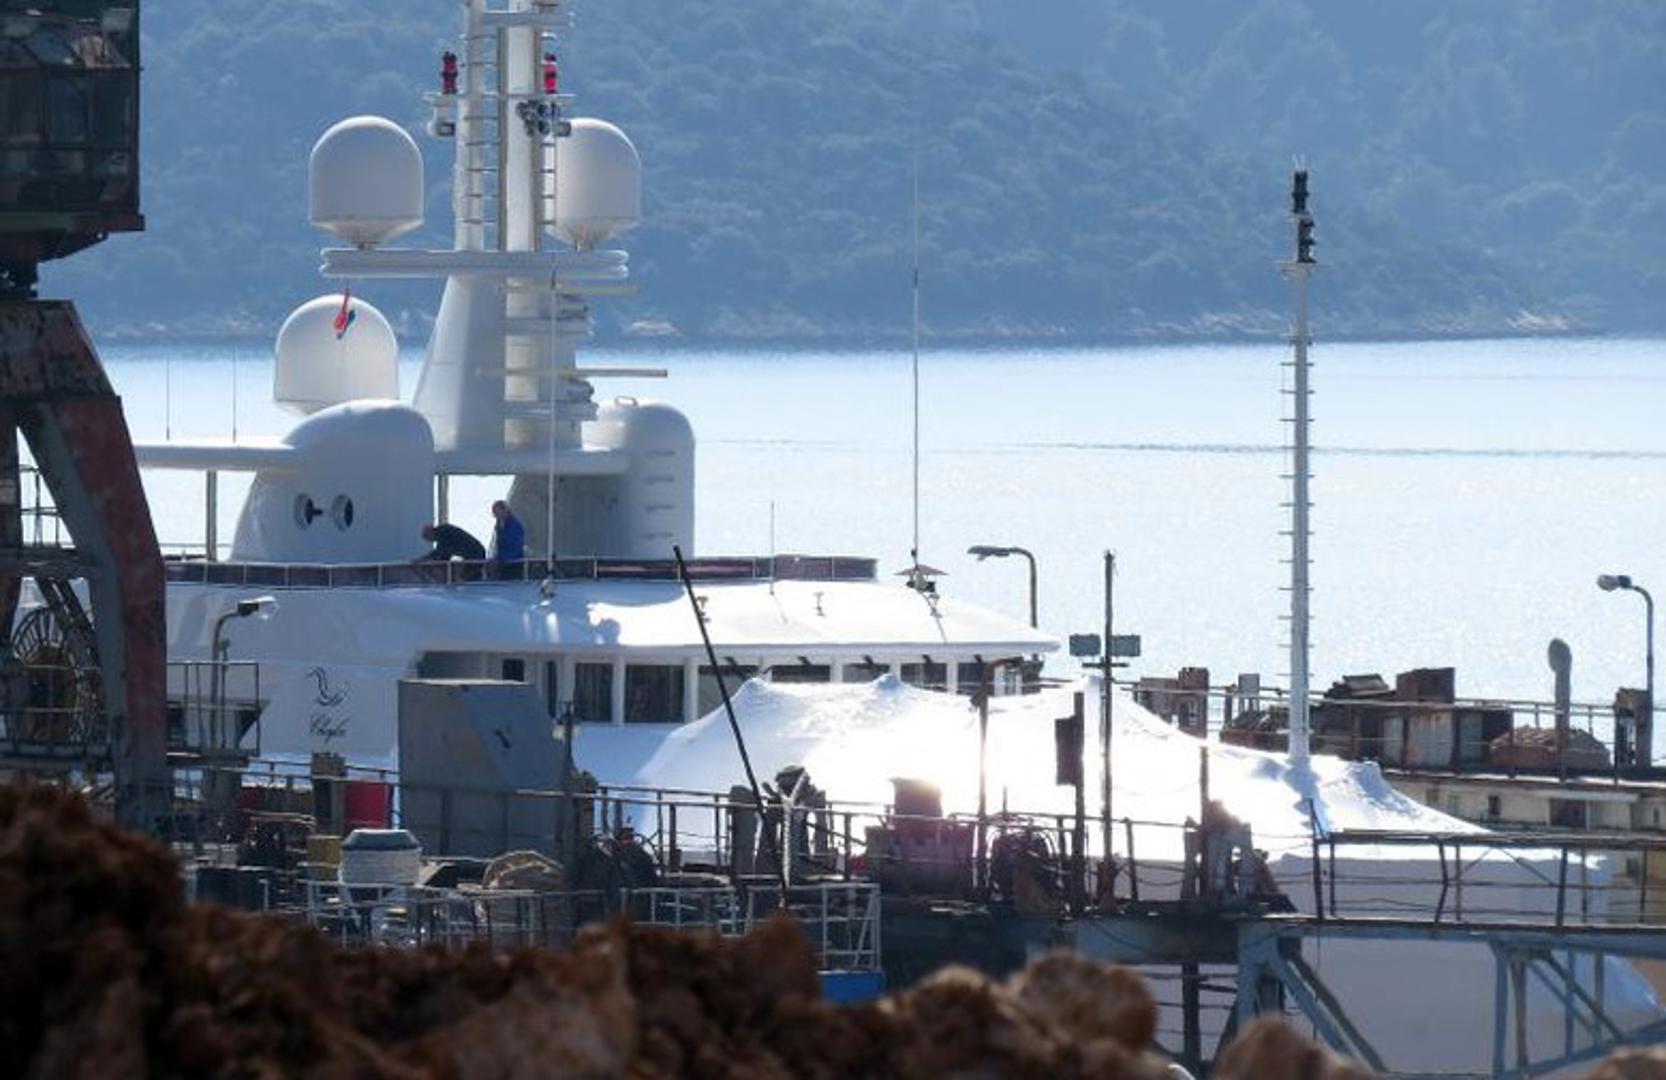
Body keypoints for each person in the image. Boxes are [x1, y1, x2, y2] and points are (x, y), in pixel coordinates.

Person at [421, 522, 485, 562]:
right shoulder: (442, 534)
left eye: (428, 538)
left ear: (431, 532)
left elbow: (441, 552)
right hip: (473, 553)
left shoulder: (444, 531)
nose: (430, 541)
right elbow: (442, 554)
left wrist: (422, 560)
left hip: (475, 553)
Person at [491, 499, 525, 566]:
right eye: (494, 514)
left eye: (497, 512)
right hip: (503, 563)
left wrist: (501, 558)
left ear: (504, 510)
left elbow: (516, 547)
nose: (496, 516)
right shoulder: (499, 526)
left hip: (514, 563)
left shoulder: (514, 525)